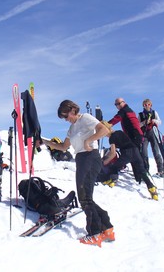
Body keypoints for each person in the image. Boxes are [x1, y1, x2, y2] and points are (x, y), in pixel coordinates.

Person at [42, 100, 114, 247]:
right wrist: (44, 142)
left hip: (90, 157)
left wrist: (88, 140)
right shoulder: (72, 128)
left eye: (65, 114)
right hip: (81, 159)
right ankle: (106, 227)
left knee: (84, 198)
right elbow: (63, 147)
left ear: (73, 109)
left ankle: (94, 233)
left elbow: (104, 130)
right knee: (86, 198)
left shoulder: (85, 118)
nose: (65, 118)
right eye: (62, 117)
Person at [100, 121, 158, 201]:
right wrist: (107, 156)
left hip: (127, 153)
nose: (103, 135)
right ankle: (152, 189)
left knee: (114, 166)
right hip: (136, 151)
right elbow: (113, 150)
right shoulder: (119, 132)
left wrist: (104, 162)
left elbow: (113, 153)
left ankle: (112, 180)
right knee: (142, 172)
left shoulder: (111, 138)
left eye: (103, 133)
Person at [138, 99, 164, 177]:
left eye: (148, 104)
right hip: (144, 134)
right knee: (144, 152)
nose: (147, 106)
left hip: (153, 133)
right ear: (143, 105)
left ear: (151, 105)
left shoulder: (154, 113)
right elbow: (138, 125)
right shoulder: (140, 114)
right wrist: (144, 122)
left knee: (156, 151)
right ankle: (146, 170)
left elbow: (160, 122)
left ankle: (161, 170)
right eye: (145, 105)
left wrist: (154, 121)